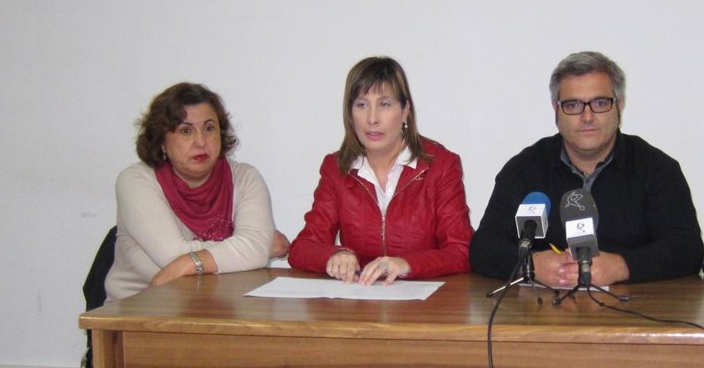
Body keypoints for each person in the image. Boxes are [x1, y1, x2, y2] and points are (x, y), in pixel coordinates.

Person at [469, 51, 703, 286]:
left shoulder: (656, 168)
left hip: (632, 304)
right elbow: (484, 248)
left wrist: (622, 266)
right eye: (573, 105)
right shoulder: (525, 169)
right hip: (543, 304)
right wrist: (529, 265)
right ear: (556, 109)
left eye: (600, 103)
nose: (587, 117)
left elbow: (688, 248)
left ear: (619, 105)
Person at [288, 56, 473, 285]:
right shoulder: (336, 168)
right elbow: (301, 248)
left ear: (405, 111)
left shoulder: (441, 165)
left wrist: (406, 264)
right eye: (361, 105)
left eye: (384, 104)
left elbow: (462, 250)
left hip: (425, 300)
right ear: (350, 114)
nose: (372, 119)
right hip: (361, 297)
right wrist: (335, 255)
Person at [105, 83, 288, 302]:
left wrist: (188, 262)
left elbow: (253, 249)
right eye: (186, 131)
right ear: (161, 141)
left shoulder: (245, 177)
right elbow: (171, 254)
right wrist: (251, 248)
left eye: (209, 128)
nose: (201, 142)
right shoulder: (136, 181)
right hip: (140, 310)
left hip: (219, 309)